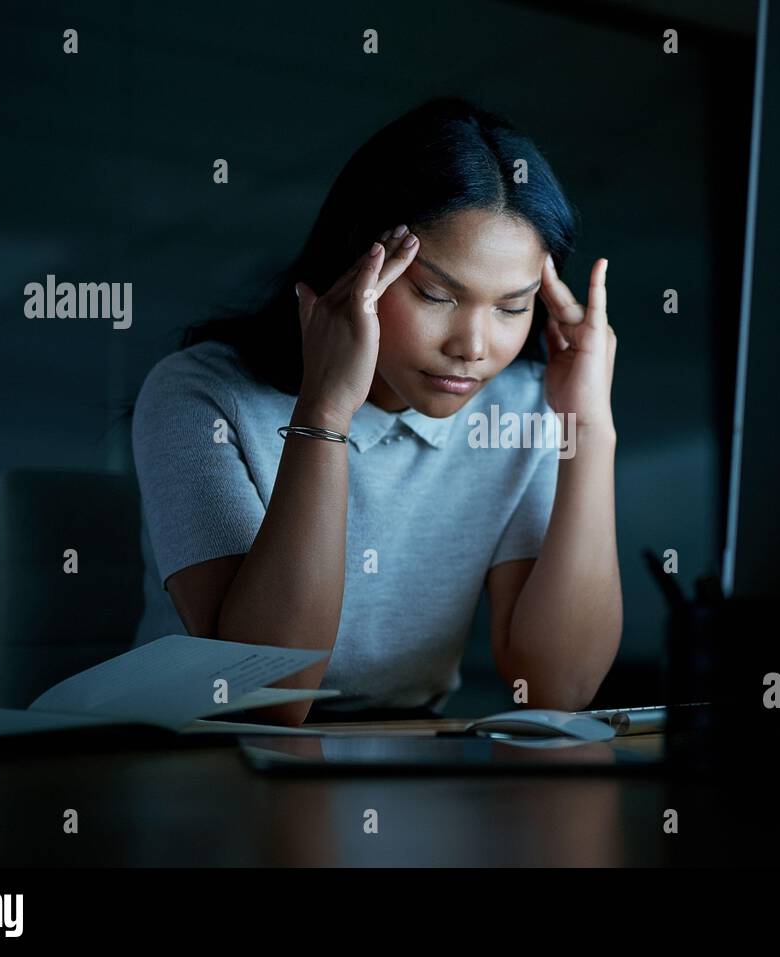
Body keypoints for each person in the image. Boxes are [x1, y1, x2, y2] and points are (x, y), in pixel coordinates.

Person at [130, 98, 621, 726]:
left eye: (512, 307)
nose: (473, 347)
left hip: (402, 759)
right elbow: (264, 699)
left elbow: (557, 686)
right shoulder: (201, 394)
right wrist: (327, 410)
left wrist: (588, 426)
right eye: (436, 294)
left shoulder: (524, 409)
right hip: (197, 762)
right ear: (359, 268)